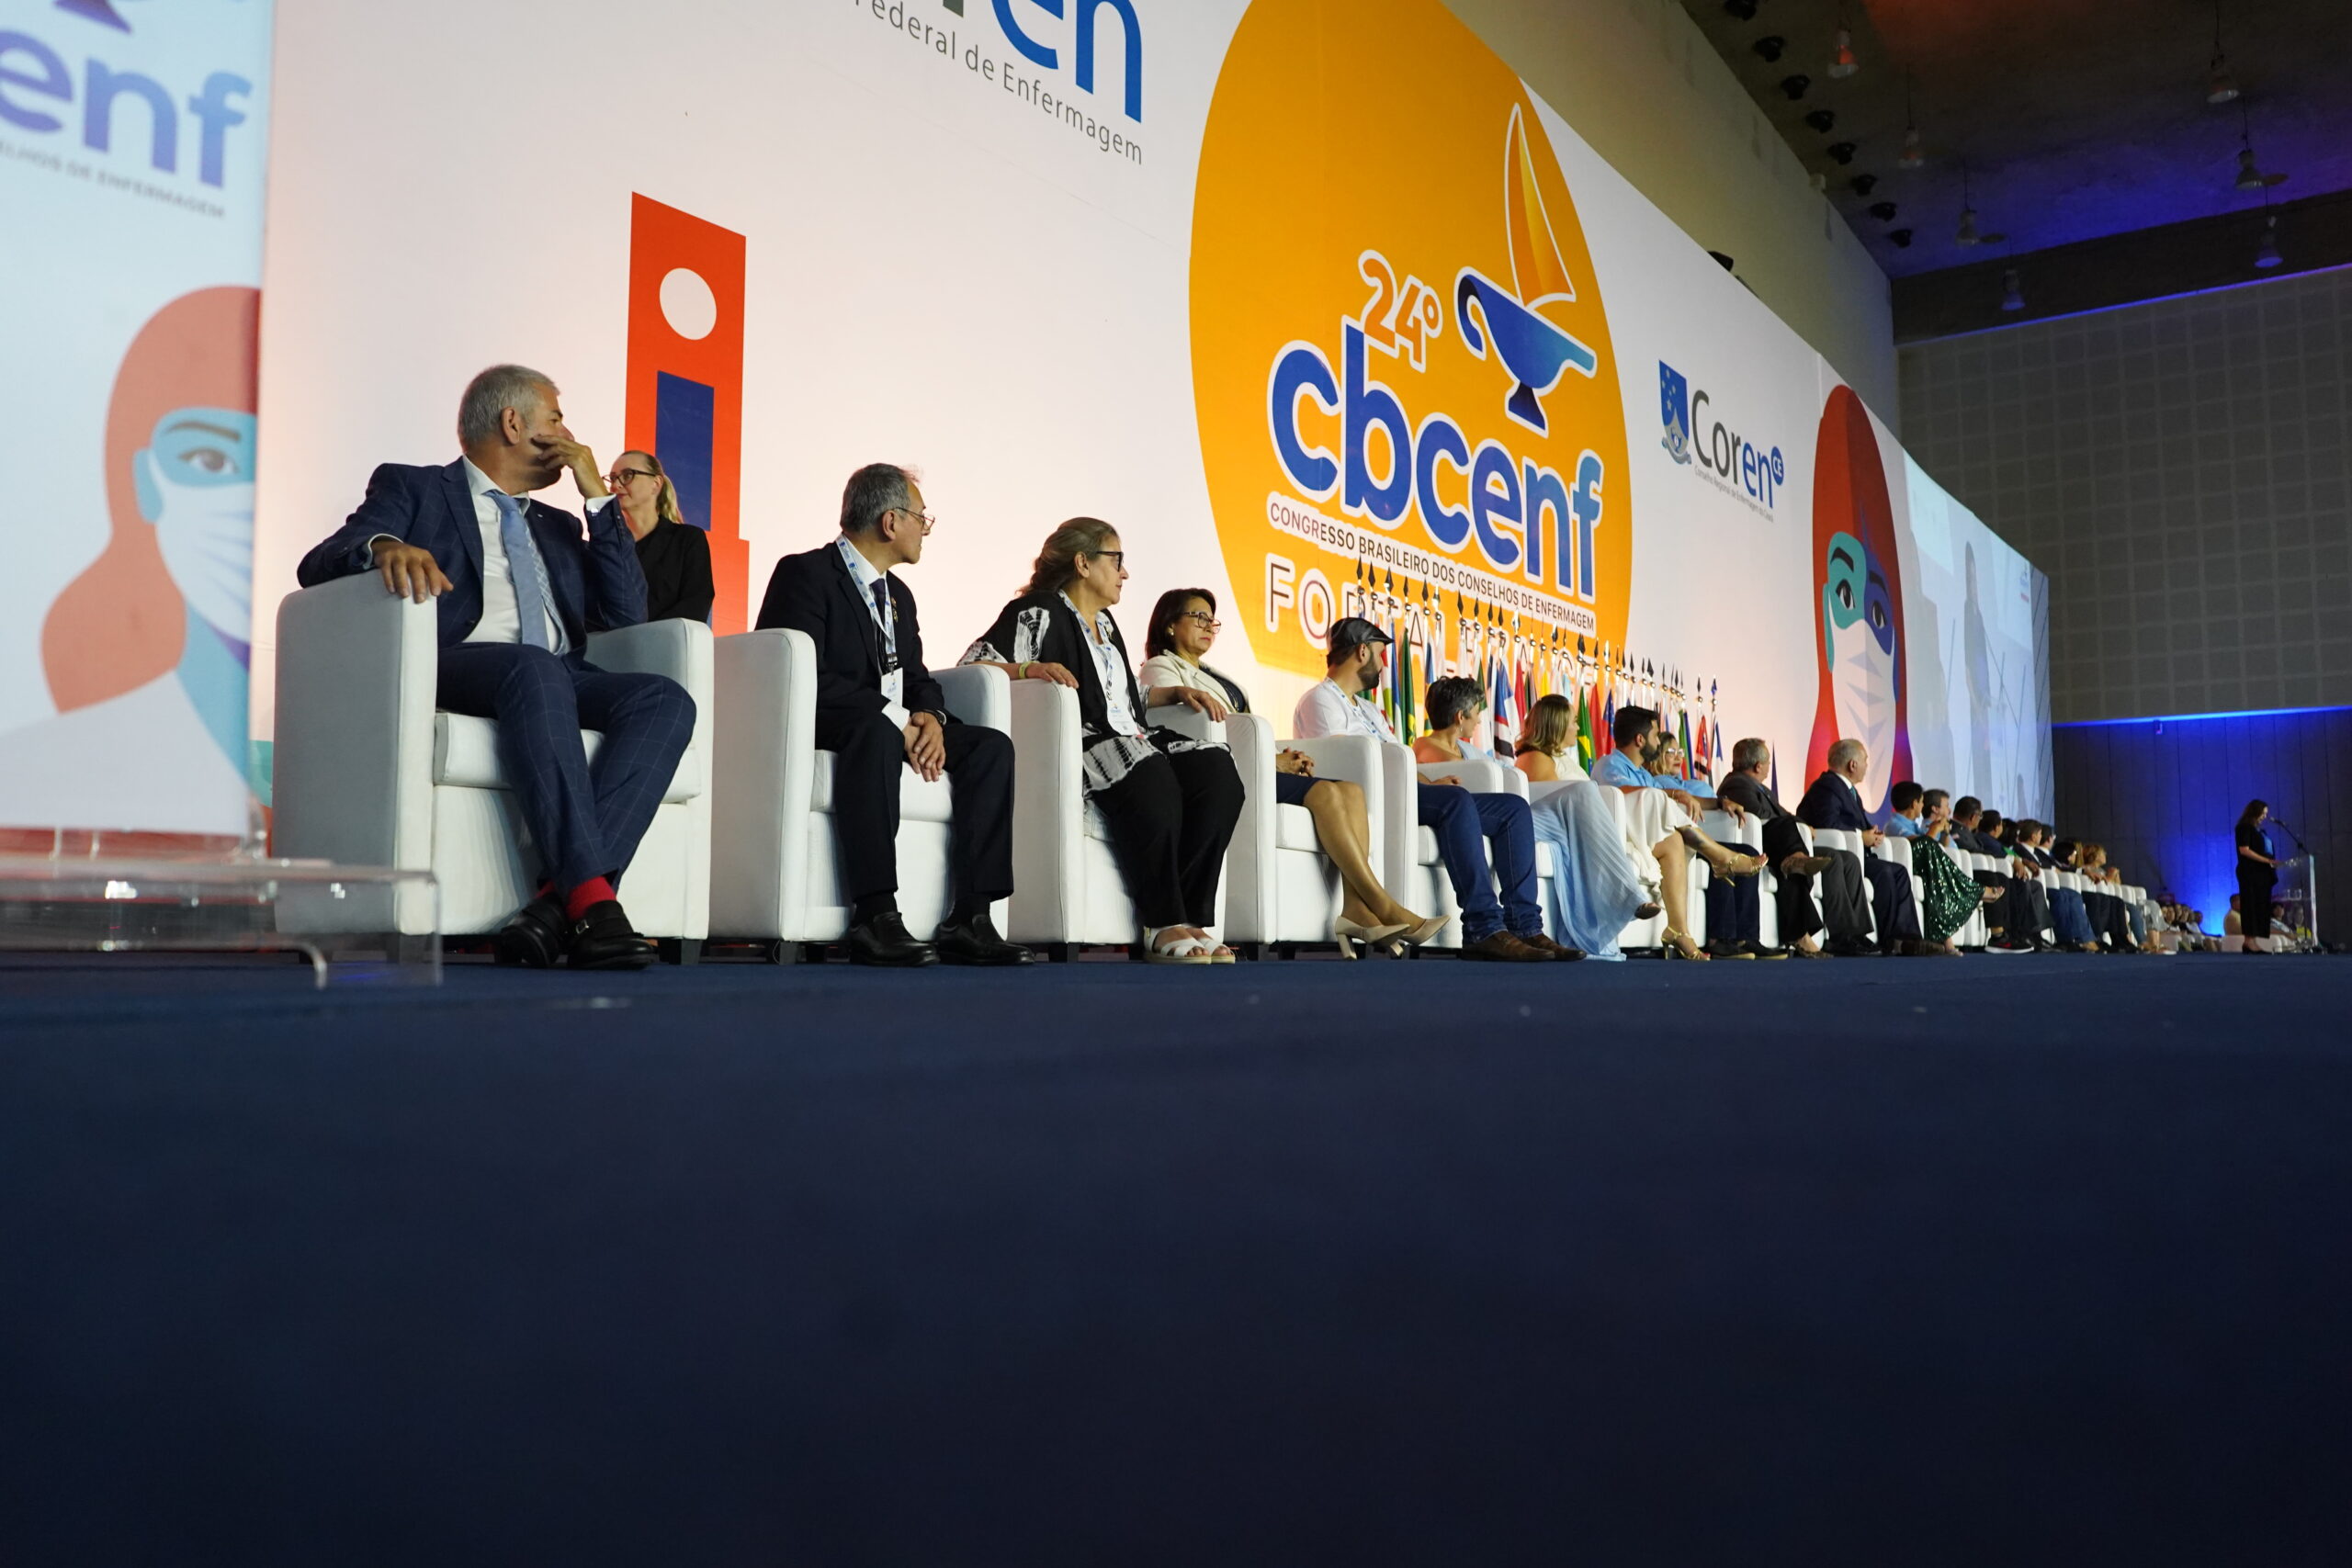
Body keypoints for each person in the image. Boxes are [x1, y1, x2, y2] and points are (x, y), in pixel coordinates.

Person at [295, 364, 695, 970]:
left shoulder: (561, 523)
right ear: (514, 423)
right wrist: (385, 547)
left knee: (665, 698)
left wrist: (597, 498)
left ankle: (557, 907)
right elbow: (320, 561)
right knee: (533, 667)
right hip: (461, 664)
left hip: (559, 673)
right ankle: (593, 900)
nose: (570, 435)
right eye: (556, 418)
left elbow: (626, 610)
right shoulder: (416, 487)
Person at [752, 463, 1030, 967]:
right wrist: (894, 718)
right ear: (890, 521)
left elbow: (918, 676)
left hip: (893, 723)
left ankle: (971, 918)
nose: (926, 530)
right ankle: (875, 914)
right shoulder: (806, 573)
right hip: (828, 718)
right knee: (876, 732)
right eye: (922, 518)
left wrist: (930, 718)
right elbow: (800, 671)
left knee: (991, 747)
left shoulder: (898, 594)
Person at [962, 519, 1243, 964]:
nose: (1124, 573)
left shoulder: (1106, 625)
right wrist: (1028, 669)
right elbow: (973, 665)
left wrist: (1169, 693)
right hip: (1084, 738)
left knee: (1217, 771)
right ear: (1083, 563)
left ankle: (1190, 916)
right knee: (1149, 769)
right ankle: (1162, 920)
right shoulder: (1039, 610)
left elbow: (1117, 696)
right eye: (1117, 561)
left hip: (1133, 732)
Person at [1137, 589, 1442, 953]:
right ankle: (1383, 903)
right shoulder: (1161, 669)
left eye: (1211, 620)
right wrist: (1270, 761)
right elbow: (1189, 733)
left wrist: (1283, 755)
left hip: (1254, 763)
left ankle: (1356, 909)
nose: (1207, 626)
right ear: (1170, 625)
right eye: (1197, 617)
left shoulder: (1213, 674)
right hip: (1220, 773)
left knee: (1352, 791)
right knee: (1324, 792)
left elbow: (1244, 729)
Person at [1293, 619, 1557, 962]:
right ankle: (1484, 928)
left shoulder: (1368, 708)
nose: (1383, 664)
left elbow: (1398, 758)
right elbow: (1341, 762)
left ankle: (1525, 926)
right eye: (1380, 654)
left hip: (1404, 791)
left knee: (1512, 809)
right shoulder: (1320, 700)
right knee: (1456, 801)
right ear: (1362, 652)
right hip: (1370, 796)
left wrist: (1429, 783)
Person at [1590, 707, 1769, 960]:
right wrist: (1673, 794)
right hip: (1626, 836)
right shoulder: (1609, 764)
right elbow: (1623, 793)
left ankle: (1716, 934)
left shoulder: (1643, 773)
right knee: (1660, 803)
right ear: (1640, 739)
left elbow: (1678, 798)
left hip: (1654, 834)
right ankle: (1719, 861)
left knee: (1722, 846)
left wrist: (1719, 802)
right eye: (1655, 735)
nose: (1657, 741)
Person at [1511, 694, 1664, 960]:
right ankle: (1628, 896)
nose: (1578, 727)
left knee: (1587, 793)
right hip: (1540, 822)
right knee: (1583, 791)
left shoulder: (1560, 759)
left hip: (1571, 821)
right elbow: (1548, 800)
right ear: (1557, 725)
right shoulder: (1534, 757)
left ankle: (1624, 899)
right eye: (1573, 721)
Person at [1795, 738, 1939, 956]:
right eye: (1865, 760)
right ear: (1852, 764)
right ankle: (1891, 940)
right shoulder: (1827, 787)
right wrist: (1860, 836)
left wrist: (1871, 833)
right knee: (1886, 872)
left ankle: (1906, 938)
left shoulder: (1848, 790)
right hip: (1839, 852)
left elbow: (1852, 822)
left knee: (1899, 872)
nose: (1866, 766)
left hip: (1857, 853)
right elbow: (1828, 823)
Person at [610, 449, 713, 624]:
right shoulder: (608, 546)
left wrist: (646, 634)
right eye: (613, 478)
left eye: (628, 475)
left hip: (667, 639)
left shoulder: (687, 539)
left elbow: (697, 603)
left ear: (656, 483)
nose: (616, 485)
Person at [1906, 785, 2001, 953]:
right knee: (1938, 876)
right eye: (1946, 806)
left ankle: (1976, 894)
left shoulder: (1919, 827)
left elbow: (1943, 848)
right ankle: (1977, 892)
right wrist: (1935, 830)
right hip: (1923, 867)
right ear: (1935, 809)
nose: (1949, 810)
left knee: (1940, 878)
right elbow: (1923, 847)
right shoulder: (1901, 825)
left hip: (1944, 868)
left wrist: (1944, 833)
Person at [2236, 799, 2280, 953]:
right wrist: (2267, 860)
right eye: (2263, 813)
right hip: (2250, 873)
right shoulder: (2244, 827)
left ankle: (2253, 941)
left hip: (2262, 874)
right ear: (2255, 811)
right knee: (2251, 906)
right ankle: (2248, 941)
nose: (2264, 816)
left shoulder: (2260, 831)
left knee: (2260, 907)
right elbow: (2244, 850)